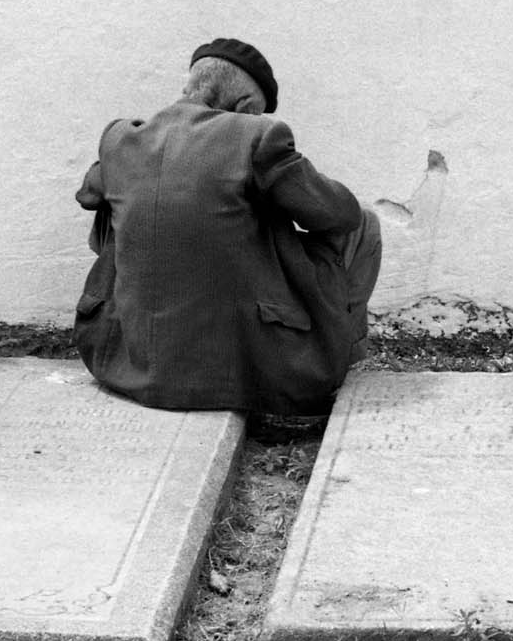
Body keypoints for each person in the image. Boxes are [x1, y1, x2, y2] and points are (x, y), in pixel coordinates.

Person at [72, 39, 381, 414]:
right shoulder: (257, 136)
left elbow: (88, 194)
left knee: (115, 206)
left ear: (190, 86)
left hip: (123, 366)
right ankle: (342, 352)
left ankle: (140, 330)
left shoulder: (121, 139)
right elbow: (338, 214)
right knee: (365, 223)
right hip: (244, 377)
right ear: (247, 106)